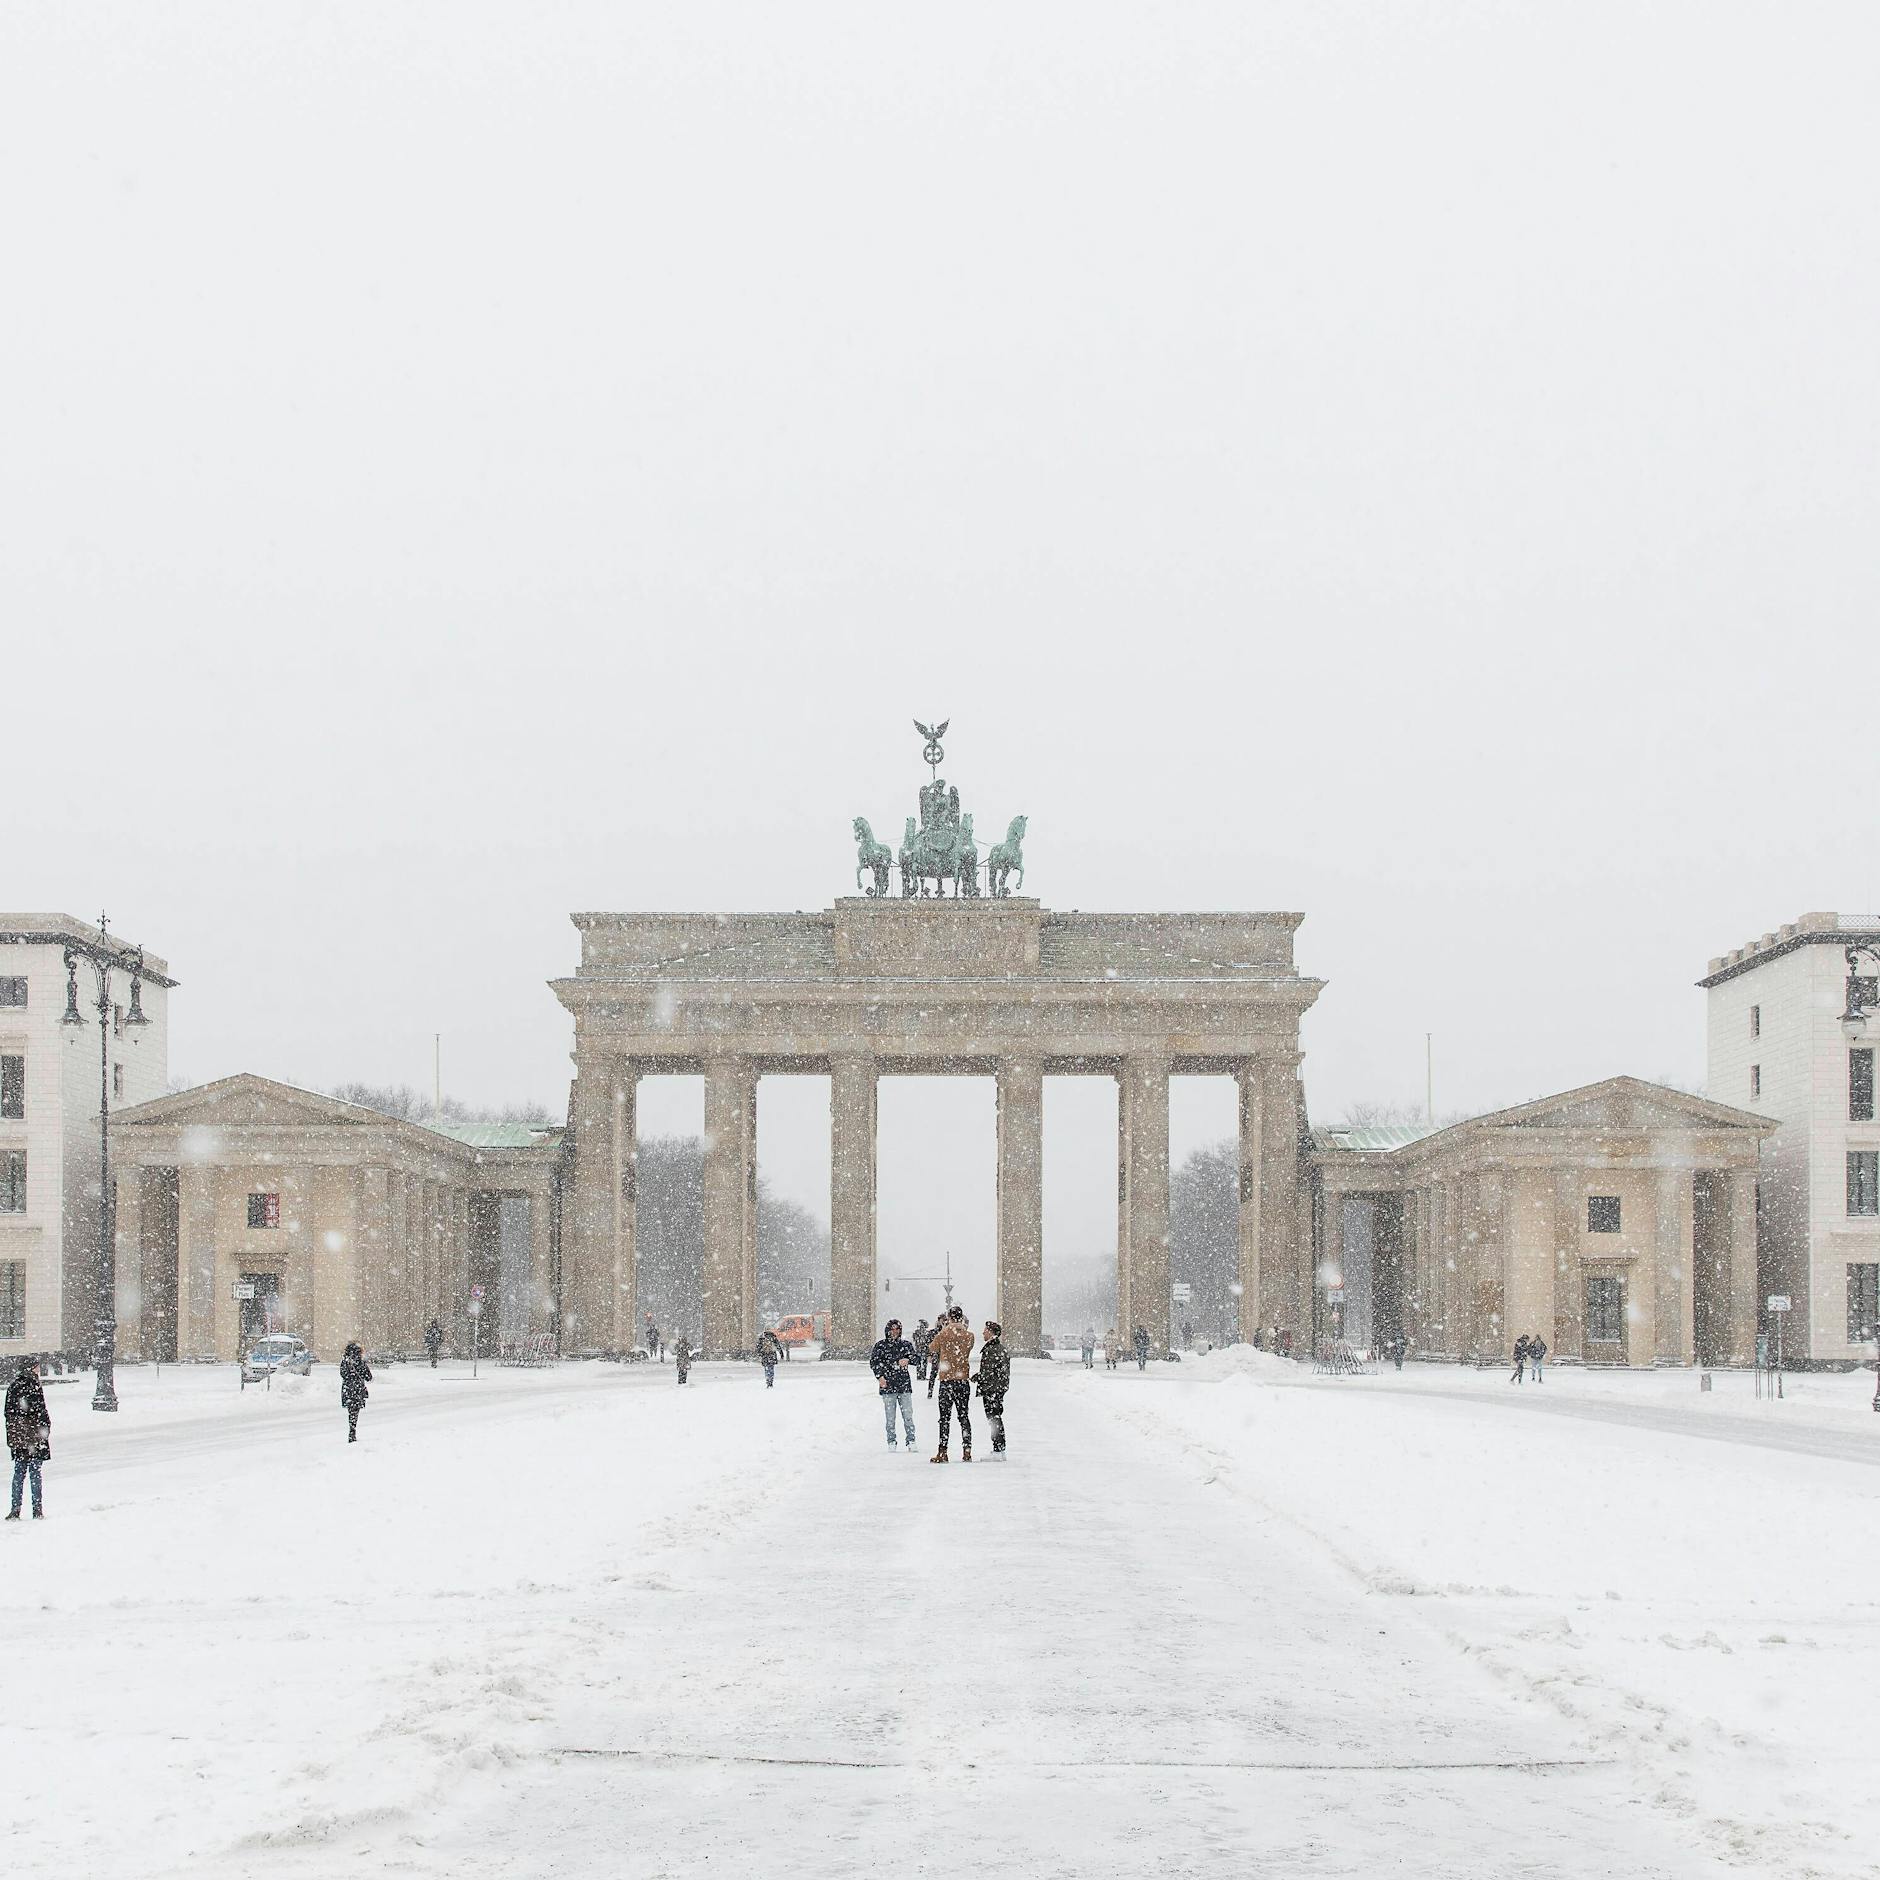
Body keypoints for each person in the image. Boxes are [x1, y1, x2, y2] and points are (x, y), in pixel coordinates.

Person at [928, 1305, 975, 1463]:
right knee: (964, 1417)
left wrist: (944, 1329)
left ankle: (943, 1451)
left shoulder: (943, 1333)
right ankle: (967, 1450)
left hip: (947, 1381)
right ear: (961, 1317)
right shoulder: (969, 1335)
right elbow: (968, 1349)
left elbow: (932, 1348)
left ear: (948, 1318)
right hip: (962, 1380)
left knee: (944, 1418)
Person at [5, 1358, 50, 1520]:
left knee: (19, 1473)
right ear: (31, 1368)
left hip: (19, 1438)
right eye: (37, 1367)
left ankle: (15, 1509)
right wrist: (45, 1429)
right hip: (34, 1437)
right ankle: (37, 1509)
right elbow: (41, 1411)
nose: (38, 1370)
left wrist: (14, 1435)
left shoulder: (14, 1386)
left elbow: (8, 1414)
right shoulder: (34, 1386)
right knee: (35, 1473)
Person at [870, 1317, 918, 1449]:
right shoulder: (880, 1346)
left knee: (908, 1416)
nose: (895, 1332)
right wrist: (880, 1377)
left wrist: (908, 1360)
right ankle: (891, 1441)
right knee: (890, 1418)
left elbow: (917, 1359)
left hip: (904, 1385)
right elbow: (874, 1363)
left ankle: (911, 1440)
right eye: (892, 1329)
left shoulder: (906, 1345)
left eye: (897, 1329)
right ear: (888, 1330)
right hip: (888, 1385)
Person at [974, 1321, 1011, 1457]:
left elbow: (988, 1372)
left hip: (991, 1389)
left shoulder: (991, 1349)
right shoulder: (1000, 1348)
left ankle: (998, 1448)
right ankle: (999, 1448)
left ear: (990, 1332)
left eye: (985, 1330)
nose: (983, 1332)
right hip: (997, 1388)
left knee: (994, 1419)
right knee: (996, 1417)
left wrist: (977, 1378)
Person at [340, 1341, 372, 1443]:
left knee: (351, 1410)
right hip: (357, 1389)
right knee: (355, 1411)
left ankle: (351, 1429)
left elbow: (343, 1374)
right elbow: (368, 1377)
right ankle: (352, 1430)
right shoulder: (360, 1362)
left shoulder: (345, 1361)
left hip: (347, 1389)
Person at [912, 1317, 933, 1383]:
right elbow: (927, 1341)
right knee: (923, 1363)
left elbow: (915, 1340)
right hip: (923, 1349)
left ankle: (919, 1375)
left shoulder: (917, 1332)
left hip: (920, 1349)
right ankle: (922, 1375)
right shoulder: (924, 1332)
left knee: (920, 1363)